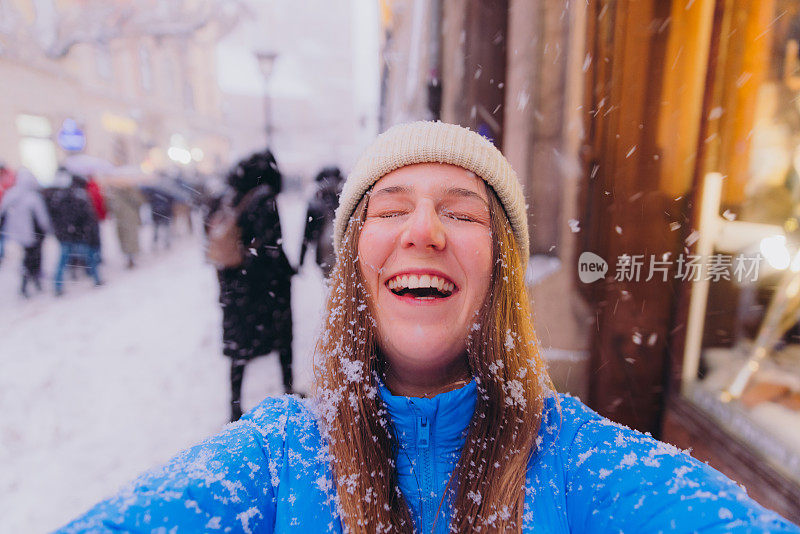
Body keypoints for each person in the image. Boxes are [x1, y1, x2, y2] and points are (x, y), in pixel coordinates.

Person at [57, 122, 800, 533]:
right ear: (356, 267)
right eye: (389, 209)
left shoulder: (576, 455)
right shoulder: (277, 455)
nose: (424, 230)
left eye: (462, 211)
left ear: (501, 270)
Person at [210, 150, 296, 421]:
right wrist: (285, 271)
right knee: (283, 338)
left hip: (235, 285)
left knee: (240, 348)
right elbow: (272, 245)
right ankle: (289, 389)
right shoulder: (264, 198)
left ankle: (234, 405)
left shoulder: (231, 195)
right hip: (264, 287)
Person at [46, 168, 103, 296]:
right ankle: (95, 278)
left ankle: (59, 285)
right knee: (87, 257)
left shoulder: (55, 196)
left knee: (66, 259)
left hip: (68, 233)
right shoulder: (75, 195)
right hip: (75, 233)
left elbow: (54, 217)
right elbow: (86, 215)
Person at [0, 167, 51, 297]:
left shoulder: (11, 194)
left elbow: (3, 213)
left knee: (27, 259)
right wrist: (47, 229)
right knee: (34, 258)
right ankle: (34, 280)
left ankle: (26, 283)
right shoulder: (33, 197)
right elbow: (42, 216)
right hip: (34, 234)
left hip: (20, 234)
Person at [299, 166, 344, 277]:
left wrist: (301, 260)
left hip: (323, 252)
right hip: (343, 248)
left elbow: (307, 233)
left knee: (330, 284)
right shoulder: (345, 196)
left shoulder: (316, 202)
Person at [105, 183, 146, 269]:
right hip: (125, 220)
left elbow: (140, 203)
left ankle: (130, 258)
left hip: (127, 220)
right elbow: (111, 208)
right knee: (127, 239)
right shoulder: (116, 195)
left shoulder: (127, 194)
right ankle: (130, 257)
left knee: (128, 239)